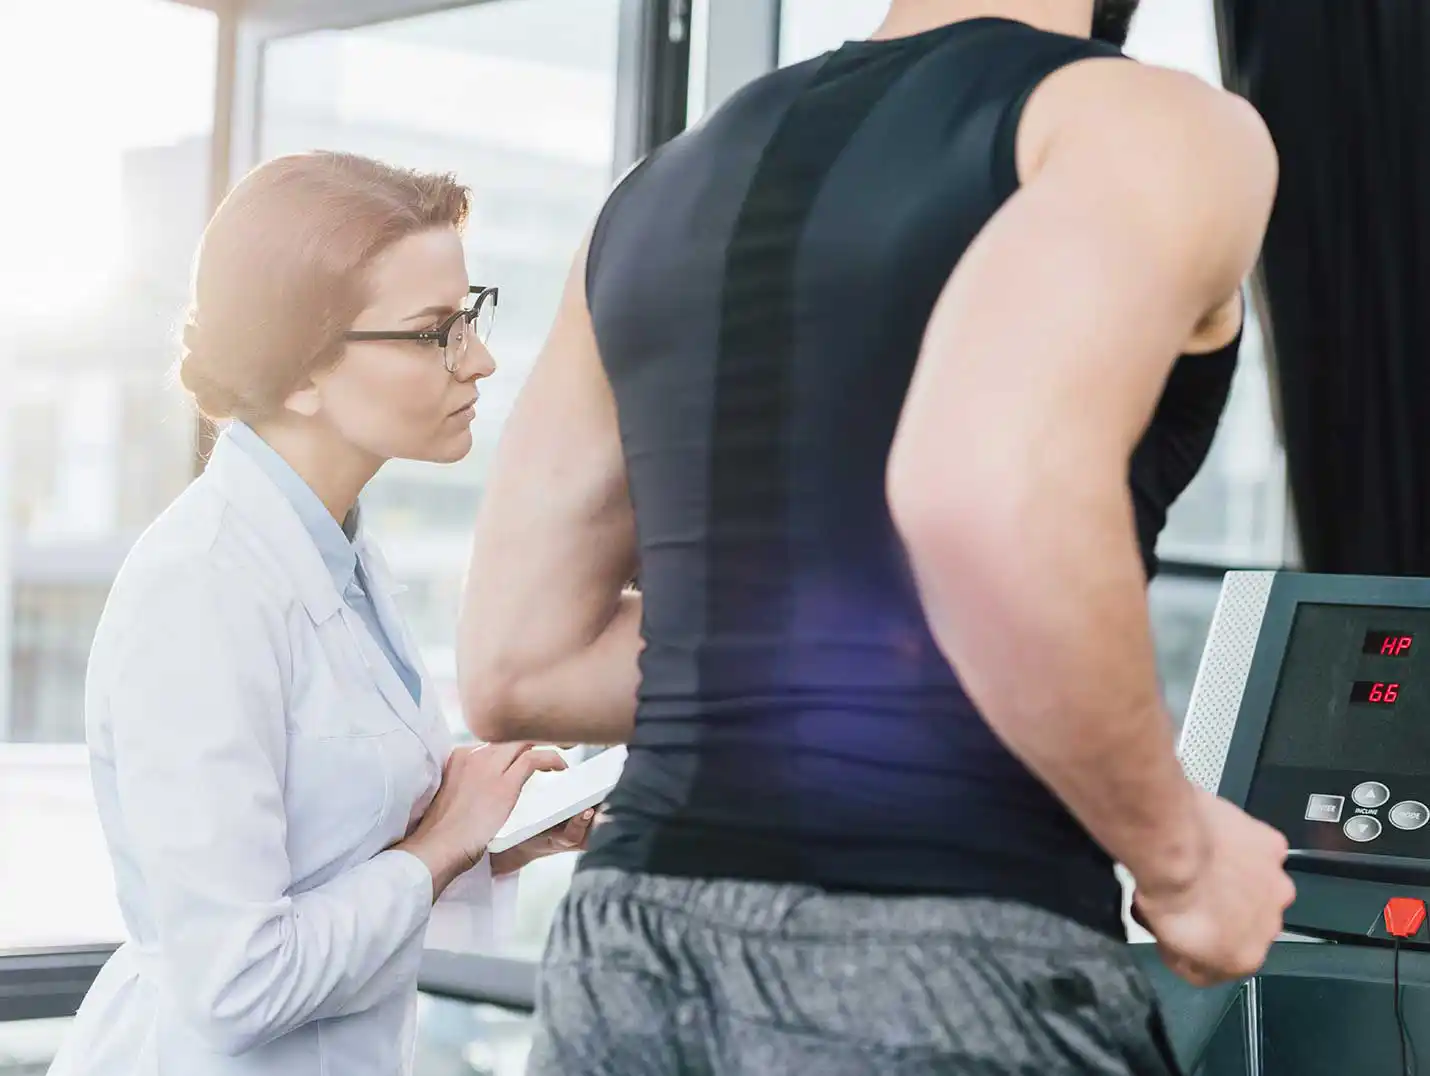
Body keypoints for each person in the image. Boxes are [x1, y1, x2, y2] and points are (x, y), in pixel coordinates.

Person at [458, 0, 1294, 1071]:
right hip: (941, 947)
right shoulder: (1147, 125)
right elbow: (986, 498)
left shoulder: (654, 189)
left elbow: (519, 658)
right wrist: (1179, 858)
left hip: (625, 951)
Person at [49, 152, 592, 1076]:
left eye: (472, 313)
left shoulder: (337, 550)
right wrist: (441, 844)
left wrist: (490, 837)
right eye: (436, 332)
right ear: (297, 372)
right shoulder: (200, 590)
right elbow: (235, 984)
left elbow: (335, 860)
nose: (482, 356)